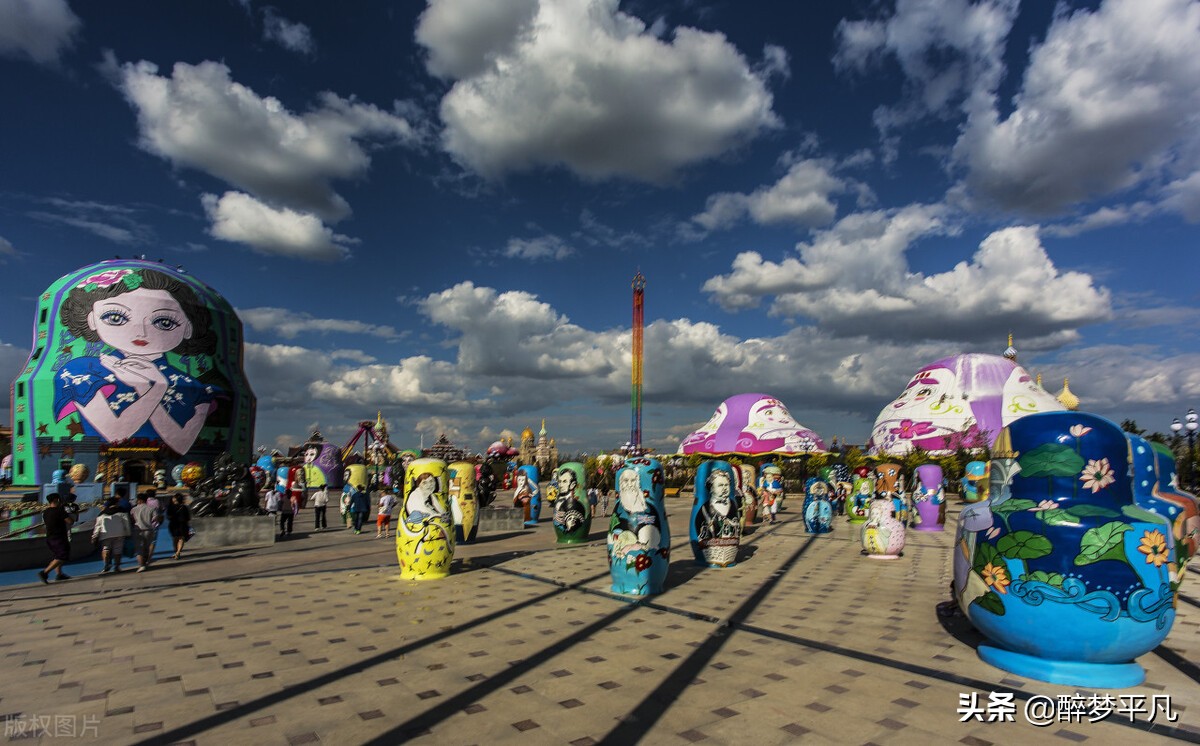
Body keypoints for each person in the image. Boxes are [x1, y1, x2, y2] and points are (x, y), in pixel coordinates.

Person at [53, 267, 221, 454]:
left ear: (189, 328)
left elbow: (182, 445)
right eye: (115, 317)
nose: (141, 332)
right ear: (91, 319)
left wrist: (149, 387)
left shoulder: (195, 386)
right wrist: (155, 390)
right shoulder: (82, 371)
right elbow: (115, 435)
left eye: (164, 322)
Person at [38, 494, 76, 583]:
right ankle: (44, 572)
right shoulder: (59, 511)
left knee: (57, 555)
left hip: (50, 537)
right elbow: (70, 521)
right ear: (56, 500)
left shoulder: (46, 512)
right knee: (62, 556)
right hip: (59, 537)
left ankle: (59, 574)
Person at [92, 498, 132, 574]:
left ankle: (106, 564)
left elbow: (97, 526)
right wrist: (128, 533)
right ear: (117, 503)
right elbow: (127, 524)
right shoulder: (122, 511)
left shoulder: (102, 514)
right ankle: (117, 566)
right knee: (118, 550)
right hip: (119, 533)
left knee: (105, 549)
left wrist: (94, 536)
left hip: (105, 534)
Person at [129, 493, 158, 572]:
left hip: (138, 530)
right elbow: (155, 518)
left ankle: (141, 565)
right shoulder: (151, 508)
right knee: (146, 547)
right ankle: (145, 562)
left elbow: (131, 519)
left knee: (139, 549)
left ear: (139, 500)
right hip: (149, 530)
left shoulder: (134, 509)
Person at [167, 492, 191, 560]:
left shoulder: (171, 507)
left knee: (175, 539)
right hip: (183, 525)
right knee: (181, 539)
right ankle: (178, 552)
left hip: (174, 525)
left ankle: (176, 552)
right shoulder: (184, 507)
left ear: (176, 499)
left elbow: (168, 516)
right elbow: (188, 517)